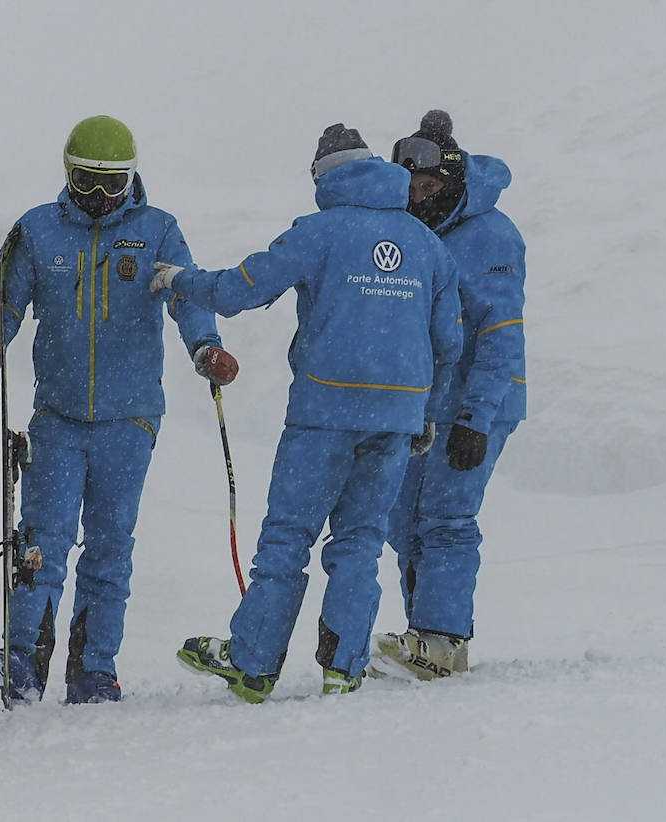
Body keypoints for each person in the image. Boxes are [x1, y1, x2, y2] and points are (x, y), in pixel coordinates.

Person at [163, 124, 463, 702]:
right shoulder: (427, 244)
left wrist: (181, 281)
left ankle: (253, 663)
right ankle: (343, 666)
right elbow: (447, 341)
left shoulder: (319, 232)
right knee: (360, 540)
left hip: (324, 411)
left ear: (325, 178)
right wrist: (422, 410)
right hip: (396, 421)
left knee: (287, 538)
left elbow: (238, 290)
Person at [0, 115, 236, 705]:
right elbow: (2, 301)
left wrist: (206, 347)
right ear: (68, 174)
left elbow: (186, 293)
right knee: (42, 540)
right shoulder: (38, 230)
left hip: (130, 418)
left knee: (110, 544)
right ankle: (23, 658)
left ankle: (94, 668)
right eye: (88, 184)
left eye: (114, 184)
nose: (101, 199)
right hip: (59, 414)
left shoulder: (157, 230)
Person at [369, 110, 527, 681]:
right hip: (425, 404)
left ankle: (443, 638)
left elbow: (501, 335)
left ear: (453, 177)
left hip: (478, 402)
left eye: (429, 184)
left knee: (446, 516)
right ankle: (426, 639)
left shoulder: (490, 234)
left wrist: (476, 417)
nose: (418, 194)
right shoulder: (413, 228)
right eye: (408, 184)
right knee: (402, 520)